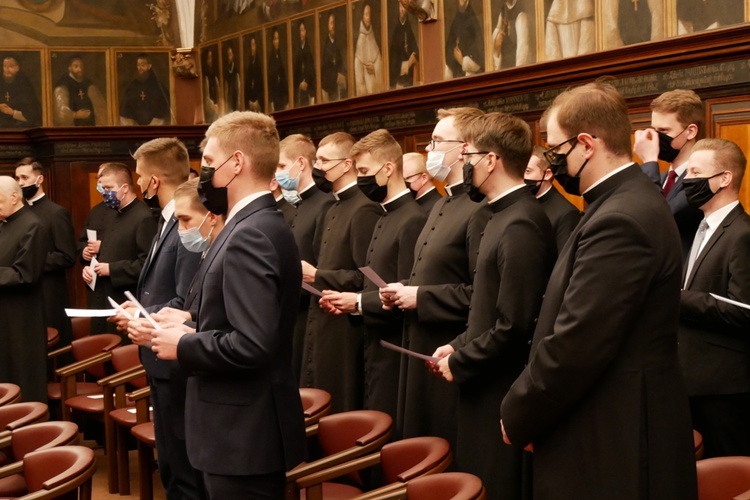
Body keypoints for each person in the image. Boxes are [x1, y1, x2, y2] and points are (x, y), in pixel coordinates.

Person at [500, 81, 698, 499]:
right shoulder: (621, 201)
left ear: (586, 143)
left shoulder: (621, 216)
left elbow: (578, 341)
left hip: (614, 431)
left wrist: (519, 411)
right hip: (607, 418)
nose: (552, 162)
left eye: (556, 149)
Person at [149, 111, 306, 498]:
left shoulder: (250, 233)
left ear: (236, 163)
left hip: (242, 436)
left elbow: (253, 343)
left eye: (207, 163)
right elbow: (241, 314)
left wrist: (183, 344)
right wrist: (190, 319)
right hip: (232, 431)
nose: (203, 174)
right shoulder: (249, 223)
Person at [431, 112, 556, 500]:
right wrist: (458, 343)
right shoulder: (499, 215)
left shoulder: (521, 222)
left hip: (500, 388)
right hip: (481, 381)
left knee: (495, 486)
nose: (464, 164)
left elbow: (515, 324)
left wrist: (462, 360)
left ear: (490, 160)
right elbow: (486, 305)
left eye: (467, 155)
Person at [380, 107, 490, 449]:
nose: (429, 149)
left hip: (450, 350)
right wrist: (404, 291)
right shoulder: (443, 202)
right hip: (421, 345)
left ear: (465, 147)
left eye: (437, 140)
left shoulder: (480, 209)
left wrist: (421, 297)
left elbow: (483, 294)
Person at [111, 138, 202, 499]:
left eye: (139, 176)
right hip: (157, 354)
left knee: (183, 467)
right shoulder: (165, 221)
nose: (137, 183)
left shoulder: (186, 225)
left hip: (175, 357)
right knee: (170, 463)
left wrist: (147, 317)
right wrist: (139, 311)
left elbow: (186, 296)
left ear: (153, 180)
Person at [320, 129, 427, 423]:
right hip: (373, 342)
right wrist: (352, 301)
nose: (361, 178)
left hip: (394, 351)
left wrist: (356, 302)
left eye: (365, 170)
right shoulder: (385, 213)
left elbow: (405, 290)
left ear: (389, 168)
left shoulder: (412, 218)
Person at [299, 132, 382, 413]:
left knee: (341, 402)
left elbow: (367, 278)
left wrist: (317, 275)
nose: (317, 167)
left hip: (347, 328)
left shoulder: (364, 208)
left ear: (347, 165)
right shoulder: (331, 206)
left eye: (323, 160)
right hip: (322, 317)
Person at [678, 138, 750, 458]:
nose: (686, 180)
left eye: (695, 172)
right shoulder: (700, 226)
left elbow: (745, 311)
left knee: (729, 476)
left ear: (724, 178)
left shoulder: (743, 234)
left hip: (724, 387)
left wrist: (680, 298)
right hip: (690, 380)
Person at [276, 134, 335, 381]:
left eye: (280, 166)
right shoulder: (301, 204)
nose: (277, 174)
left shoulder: (324, 204)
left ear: (300, 163)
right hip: (294, 311)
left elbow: (319, 262)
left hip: (312, 310)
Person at [81, 162, 157, 335]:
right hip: (103, 297)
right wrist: (90, 269)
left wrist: (111, 269)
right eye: (102, 187)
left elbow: (147, 265)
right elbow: (108, 252)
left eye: (108, 187)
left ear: (124, 188)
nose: (104, 192)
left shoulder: (143, 217)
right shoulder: (113, 213)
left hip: (126, 302)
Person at [634, 89, 704, 260]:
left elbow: (658, 218)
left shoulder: (701, 178)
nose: (657, 138)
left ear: (691, 131)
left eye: (664, 131)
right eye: (654, 130)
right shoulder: (662, 178)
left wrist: (650, 161)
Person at [15, 158, 76, 351]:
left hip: (49, 294)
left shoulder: (56, 213)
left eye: (25, 177)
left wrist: (32, 260)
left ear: (39, 179)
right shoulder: (18, 213)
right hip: (24, 292)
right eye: (17, 178)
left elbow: (67, 256)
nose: (20, 183)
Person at [0, 177, 47, 403]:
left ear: (14, 197)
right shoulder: (4, 223)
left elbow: (25, 274)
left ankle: (29, 429)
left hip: (22, 318)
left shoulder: (32, 225)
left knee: (22, 376)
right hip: (5, 314)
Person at [524, 146, 581, 251]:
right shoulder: (522, 204)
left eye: (527, 171)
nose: (522, 177)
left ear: (547, 174)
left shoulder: (567, 213)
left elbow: (563, 259)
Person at [53, 54, 106, 126]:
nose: (80, 69)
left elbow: (100, 108)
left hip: (91, 127)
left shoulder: (89, 84)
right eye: (76, 66)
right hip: (72, 131)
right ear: (70, 68)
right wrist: (75, 115)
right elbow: (60, 113)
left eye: (81, 66)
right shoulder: (63, 86)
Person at [119, 53, 171, 126]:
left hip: (154, 126)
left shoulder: (158, 86)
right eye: (138, 65)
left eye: (143, 65)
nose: (140, 68)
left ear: (149, 66)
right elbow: (125, 108)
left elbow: (164, 107)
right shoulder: (132, 86)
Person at [444, 0, 484, 79]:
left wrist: (462, 60)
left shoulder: (473, 19)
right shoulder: (457, 17)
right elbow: (449, 46)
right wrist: (453, 55)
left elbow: (480, 56)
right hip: (456, 72)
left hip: (470, 75)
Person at [0, 55, 41, 128]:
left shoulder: (24, 85)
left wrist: (12, 112)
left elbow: (33, 114)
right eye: (5, 66)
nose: (7, 69)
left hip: (20, 128)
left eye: (11, 66)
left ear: (17, 68)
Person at [491, 0, 532, 69]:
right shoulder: (503, 10)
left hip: (515, 66)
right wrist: (496, 40)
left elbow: (523, 49)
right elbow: (497, 31)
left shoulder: (521, 15)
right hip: (504, 65)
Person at [354, 1, 384, 96]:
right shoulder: (359, 41)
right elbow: (359, 80)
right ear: (362, 16)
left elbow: (380, 62)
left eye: (369, 14)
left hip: (377, 93)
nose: (368, 18)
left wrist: (375, 68)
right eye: (366, 14)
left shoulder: (374, 37)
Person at [389, 1, 418, 89]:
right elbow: (393, 59)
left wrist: (414, 55)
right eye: (400, 7)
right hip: (398, 78)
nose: (401, 10)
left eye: (404, 7)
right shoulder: (395, 30)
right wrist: (407, 64)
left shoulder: (410, 27)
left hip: (410, 77)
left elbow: (415, 48)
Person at [321, 11, 347, 102]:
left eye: (334, 23)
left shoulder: (337, 42)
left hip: (337, 85)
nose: (333, 26)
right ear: (327, 25)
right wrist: (336, 76)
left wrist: (342, 74)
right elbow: (325, 69)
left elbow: (340, 63)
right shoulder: (325, 45)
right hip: (329, 86)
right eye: (331, 23)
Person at [293, 19, 316, 107]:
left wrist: (306, 82)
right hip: (300, 90)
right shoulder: (297, 50)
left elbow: (311, 70)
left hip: (309, 88)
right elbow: (296, 72)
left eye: (303, 30)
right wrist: (299, 84)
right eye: (300, 31)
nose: (301, 33)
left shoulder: (309, 48)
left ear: (306, 31)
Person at [267, 28, 289, 113]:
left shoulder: (281, 55)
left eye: (278, 39)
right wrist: (271, 101)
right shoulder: (271, 58)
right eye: (275, 39)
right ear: (272, 41)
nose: (277, 41)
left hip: (283, 96)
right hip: (275, 97)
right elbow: (271, 80)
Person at [245, 35, 264, 112]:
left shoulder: (259, 62)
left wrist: (257, 102)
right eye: (251, 45)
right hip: (250, 102)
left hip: (258, 101)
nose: (252, 48)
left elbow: (261, 85)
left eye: (254, 45)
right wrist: (249, 102)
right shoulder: (249, 62)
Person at [202, 49, 220, 123]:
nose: (210, 60)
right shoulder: (205, 76)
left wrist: (217, 104)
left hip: (216, 107)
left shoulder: (213, 75)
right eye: (209, 58)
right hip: (210, 109)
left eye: (211, 57)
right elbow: (206, 97)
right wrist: (213, 105)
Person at [223, 46, 241, 113]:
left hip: (235, 94)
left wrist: (238, 98)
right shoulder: (226, 69)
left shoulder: (236, 68)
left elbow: (238, 84)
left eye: (230, 54)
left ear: (233, 55)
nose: (229, 56)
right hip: (229, 96)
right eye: (228, 54)